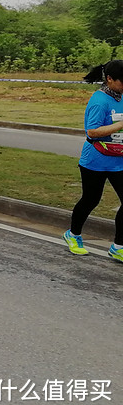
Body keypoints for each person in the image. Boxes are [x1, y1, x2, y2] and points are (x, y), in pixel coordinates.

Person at [64, 59, 123, 263]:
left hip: (119, 161)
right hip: (95, 160)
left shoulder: (122, 96)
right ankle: (73, 235)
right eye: (122, 82)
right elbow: (92, 131)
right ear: (109, 79)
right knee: (91, 200)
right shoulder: (99, 101)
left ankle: (118, 246)